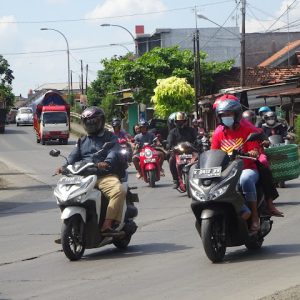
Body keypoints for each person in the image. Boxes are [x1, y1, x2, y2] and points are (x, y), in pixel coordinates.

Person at [56, 107, 126, 236]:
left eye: (93, 122)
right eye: (87, 122)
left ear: (101, 121)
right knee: (67, 195)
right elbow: (73, 156)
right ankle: (73, 224)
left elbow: (114, 151)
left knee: (118, 190)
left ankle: (108, 224)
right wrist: (64, 166)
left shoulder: (110, 137)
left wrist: (107, 162)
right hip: (84, 176)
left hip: (104, 175)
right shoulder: (82, 140)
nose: (90, 125)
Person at [211, 100, 261, 232]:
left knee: (245, 179)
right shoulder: (218, 132)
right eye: (223, 115)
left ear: (237, 115)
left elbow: (255, 151)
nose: (226, 117)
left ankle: (254, 216)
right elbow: (213, 152)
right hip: (226, 171)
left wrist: (251, 152)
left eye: (229, 114)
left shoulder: (248, 130)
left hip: (247, 168)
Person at [242, 110, 284, 217]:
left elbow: (267, 141)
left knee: (263, 163)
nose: (248, 122)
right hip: (243, 156)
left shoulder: (259, 130)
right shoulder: (241, 131)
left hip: (258, 154)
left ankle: (270, 204)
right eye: (246, 121)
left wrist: (266, 142)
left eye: (250, 120)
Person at [166, 111, 198, 188]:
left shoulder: (191, 130)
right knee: (171, 160)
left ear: (185, 121)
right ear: (175, 122)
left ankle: (201, 177)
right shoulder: (173, 132)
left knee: (200, 158)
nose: (180, 123)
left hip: (191, 150)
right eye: (178, 121)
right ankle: (175, 180)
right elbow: (169, 142)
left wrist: (198, 141)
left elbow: (196, 138)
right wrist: (169, 146)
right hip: (178, 152)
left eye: (182, 121)